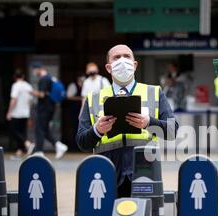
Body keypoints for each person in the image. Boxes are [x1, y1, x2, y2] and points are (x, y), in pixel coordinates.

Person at [76, 45, 178, 197]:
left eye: (126, 56)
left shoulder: (154, 92)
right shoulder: (93, 99)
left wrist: (149, 123)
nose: (122, 61)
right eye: (116, 58)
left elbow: (172, 130)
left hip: (145, 172)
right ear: (108, 68)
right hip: (107, 174)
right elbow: (81, 142)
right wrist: (97, 130)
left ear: (135, 65)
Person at [31, 63, 69, 159]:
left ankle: (39, 151)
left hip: (44, 108)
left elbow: (42, 95)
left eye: (34, 69)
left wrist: (31, 91)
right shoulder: (51, 78)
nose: (33, 72)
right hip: (51, 107)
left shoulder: (44, 79)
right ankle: (58, 145)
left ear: (39, 69)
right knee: (44, 129)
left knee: (39, 128)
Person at [6, 70, 34, 159]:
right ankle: (19, 151)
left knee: (14, 131)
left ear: (15, 77)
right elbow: (30, 102)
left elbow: (14, 99)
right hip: (25, 113)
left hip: (16, 113)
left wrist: (9, 112)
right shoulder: (28, 86)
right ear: (23, 76)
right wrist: (29, 114)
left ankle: (28, 144)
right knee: (22, 132)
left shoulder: (16, 85)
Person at [66, 75, 85, 149]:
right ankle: (73, 146)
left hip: (81, 110)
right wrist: (80, 99)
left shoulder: (85, 86)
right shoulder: (73, 86)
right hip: (74, 110)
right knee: (74, 128)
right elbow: (69, 96)